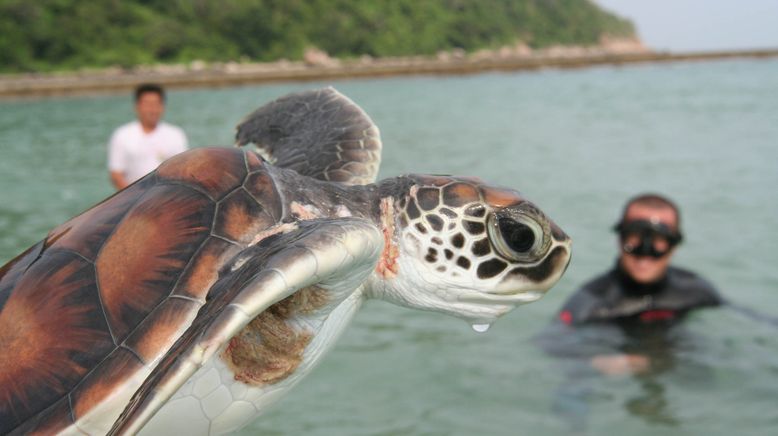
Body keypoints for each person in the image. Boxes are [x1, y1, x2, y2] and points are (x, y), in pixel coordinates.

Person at [107, 83, 188, 190]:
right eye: (147, 104)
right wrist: (134, 198)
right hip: (133, 199)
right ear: (137, 106)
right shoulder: (122, 135)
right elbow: (116, 174)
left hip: (167, 197)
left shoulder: (176, 134)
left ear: (162, 106)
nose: (152, 110)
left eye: (156, 104)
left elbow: (184, 171)